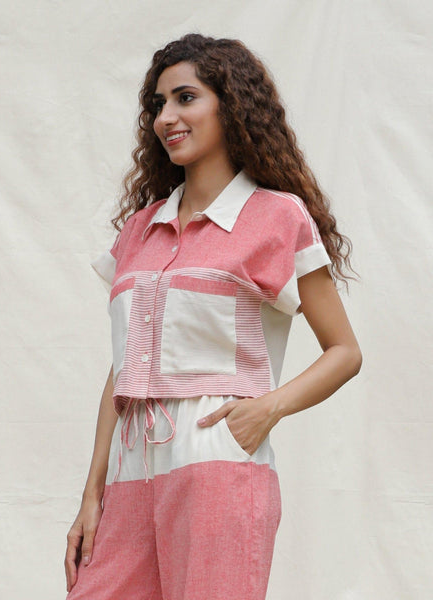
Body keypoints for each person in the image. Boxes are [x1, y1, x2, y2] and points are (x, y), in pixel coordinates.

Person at [64, 33, 362, 600]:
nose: (166, 117)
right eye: (158, 105)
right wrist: (92, 493)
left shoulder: (278, 217)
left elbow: (344, 351)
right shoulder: (139, 229)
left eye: (185, 98)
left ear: (231, 105)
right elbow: (122, 368)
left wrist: (263, 413)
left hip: (216, 460)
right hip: (130, 466)